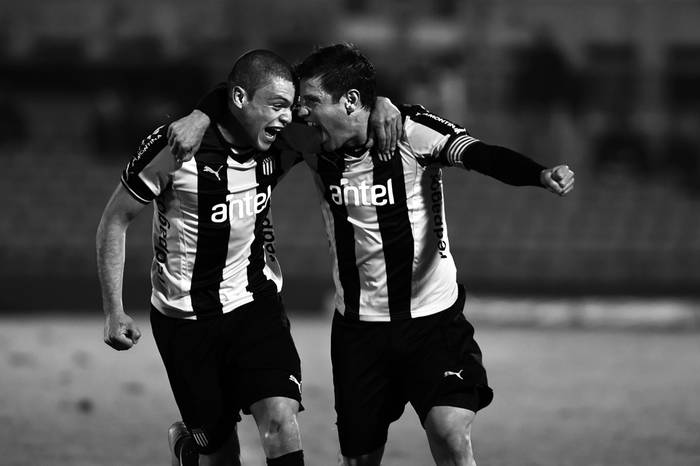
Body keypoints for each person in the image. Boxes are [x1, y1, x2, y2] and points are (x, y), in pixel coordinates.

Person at [171, 43, 574, 466]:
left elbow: (480, 155)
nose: (299, 113)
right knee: (361, 460)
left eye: (310, 101)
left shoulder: (411, 131)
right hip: (359, 331)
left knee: (449, 429)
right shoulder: (312, 144)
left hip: (433, 322)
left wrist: (539, 174)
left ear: (349, 102)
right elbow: (239, 94)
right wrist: (200, 114)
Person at [96, 49, 306, 466]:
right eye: (277, 105)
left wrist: (387, 107)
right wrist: (113, 310)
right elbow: (115, 220)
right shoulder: (176, 147)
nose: (286, 117)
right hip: (185, 320)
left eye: (290, 107)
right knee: (218, 451)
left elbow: (344, 112)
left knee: (281, 419)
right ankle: (190, 448)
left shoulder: (284, 142)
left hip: (255, 303)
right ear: (241, 98)